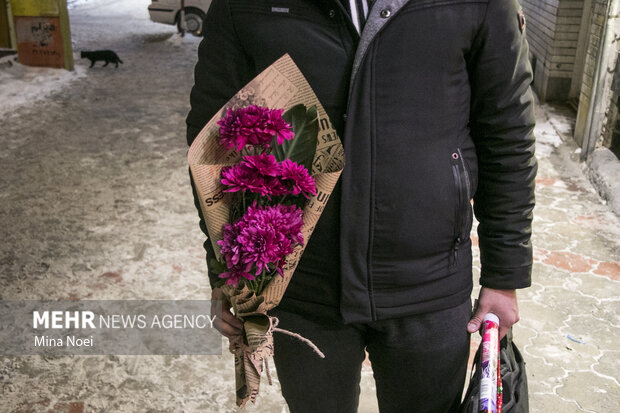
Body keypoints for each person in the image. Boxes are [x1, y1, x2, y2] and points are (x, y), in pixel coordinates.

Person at [186, 0, 536, 412]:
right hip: (303, 287)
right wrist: (228, 271)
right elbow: (213, 143)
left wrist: (504, 275)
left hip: (427, 282)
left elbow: (507, 133)